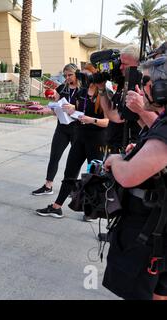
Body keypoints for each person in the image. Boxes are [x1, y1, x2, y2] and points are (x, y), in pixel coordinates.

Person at [102, 55, 167, 300]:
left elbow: (128, 177)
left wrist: (116, 161)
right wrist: (142, 153)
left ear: (161, 89)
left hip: (150, 232)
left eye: (147, 82)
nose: (142, 87)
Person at [36, 64, 109, 219]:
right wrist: (69, 109)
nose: (82, 76)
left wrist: (91, 120)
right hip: (80, 137)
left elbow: (108, 121)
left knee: (94, 176)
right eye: (81, 74)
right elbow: (76, 109)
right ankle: (57, 207)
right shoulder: (82, 92)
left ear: (94, 75)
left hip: (97, 141)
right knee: (69, 172)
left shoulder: (104, 94)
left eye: (85, 74)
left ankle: (91, 211)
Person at [32, 63, 80, 196]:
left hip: (77, 128)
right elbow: (56, 110)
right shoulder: (61, 88)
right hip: (62, 128)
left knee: (74, 160)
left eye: (70, 75)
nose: (67, 78)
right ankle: (48, 186)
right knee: (54, 157)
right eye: (65, 75)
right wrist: (54, 107)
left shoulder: (83, 90)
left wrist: (73, 108)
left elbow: (85, 109)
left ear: (77, 74)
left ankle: (70, 188)